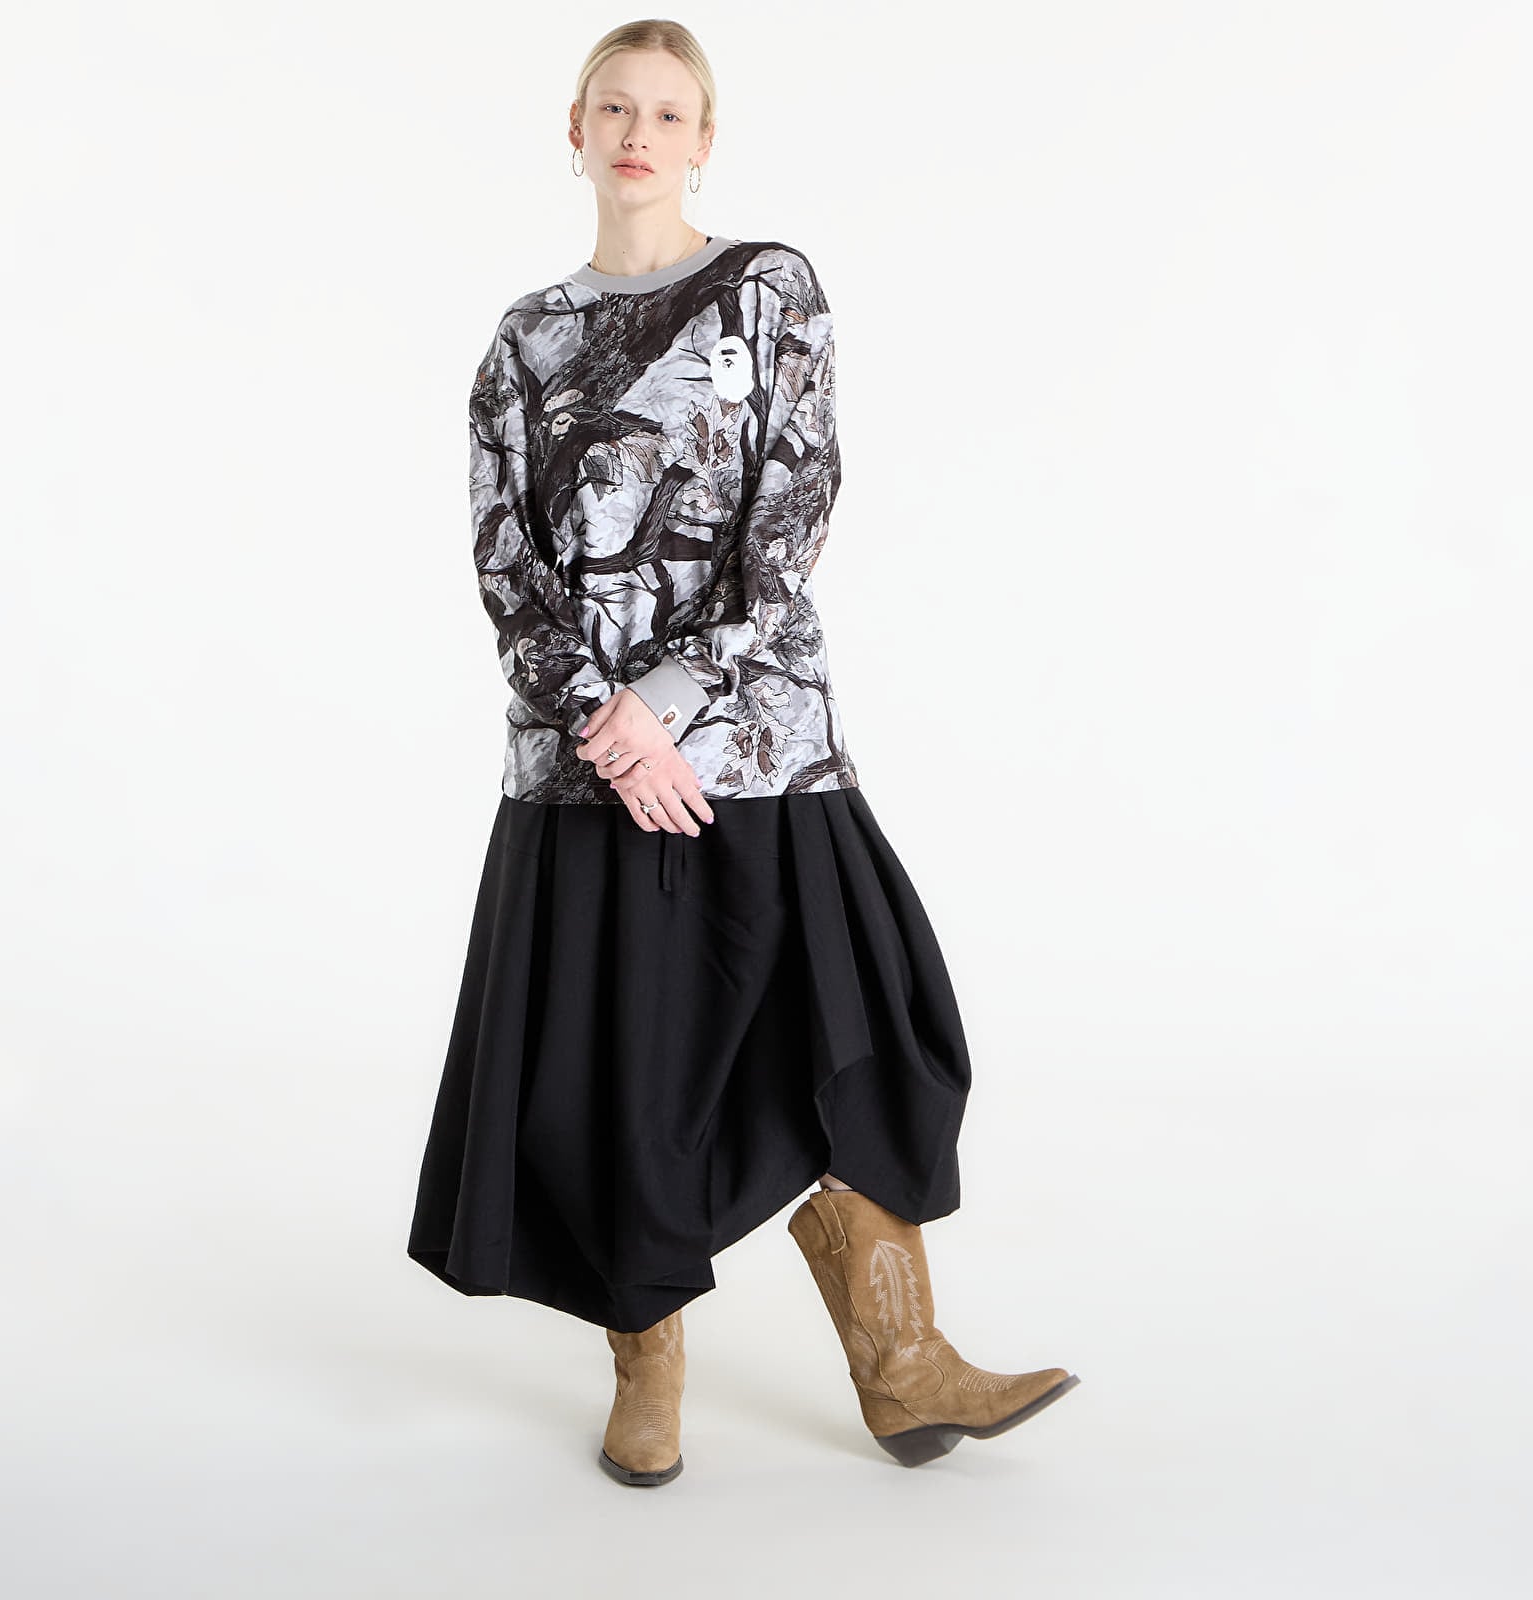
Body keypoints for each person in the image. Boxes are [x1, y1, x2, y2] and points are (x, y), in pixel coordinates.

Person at [406, 19, 1080, 1486]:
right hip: (587, 770)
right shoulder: (523, 340)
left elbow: (793, 512)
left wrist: (670, 697)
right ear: (574, 130)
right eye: (614, 108)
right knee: (628, 1069)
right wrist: (611, 728)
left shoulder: (771, 288)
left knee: (855, 1029)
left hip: (761, 742)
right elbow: (508, 571)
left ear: (704, 140)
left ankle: (904, 1367)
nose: (637, 134)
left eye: (668, 113)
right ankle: (647, 1370)